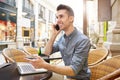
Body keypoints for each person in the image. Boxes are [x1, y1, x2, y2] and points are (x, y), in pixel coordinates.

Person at [29, 4, 91, 80]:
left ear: (71, 19)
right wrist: (53, 35)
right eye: (57, 17)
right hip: (67, 76)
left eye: (61, 16)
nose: (58, 20)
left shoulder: (83, 40)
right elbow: (47, 52)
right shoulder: (62, 38)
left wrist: (45, 65)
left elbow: (73, 71)